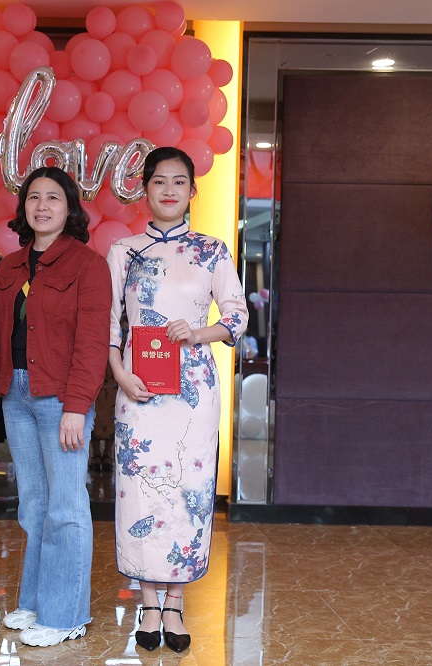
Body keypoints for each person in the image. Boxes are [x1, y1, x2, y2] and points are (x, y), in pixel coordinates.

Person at [105, 147, 248, 653]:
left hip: (193, 390)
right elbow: (109, 324)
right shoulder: (123, 251)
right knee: (140, 489)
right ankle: (147, 601)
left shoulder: (212, 250)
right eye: (159, 181)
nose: (169, 190)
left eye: (179, 181)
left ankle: (175, 601)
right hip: (138, 386)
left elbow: (236, 315)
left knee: (189, 488)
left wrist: (199, 332)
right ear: (144, 189)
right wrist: (119, 375)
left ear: (192, 191)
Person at [0, 166, 111, 647]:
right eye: (34, 197)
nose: (43, 205)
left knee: (66, 507)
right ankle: (34, 601)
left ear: (70, 207)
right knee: (34, 505)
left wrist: (77, 406)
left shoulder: (88, 265)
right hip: (15, 395)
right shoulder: (11, 266)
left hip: (60, 398)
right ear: (24, 207)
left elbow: (93, 344)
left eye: (54, 197)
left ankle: (66, 613)